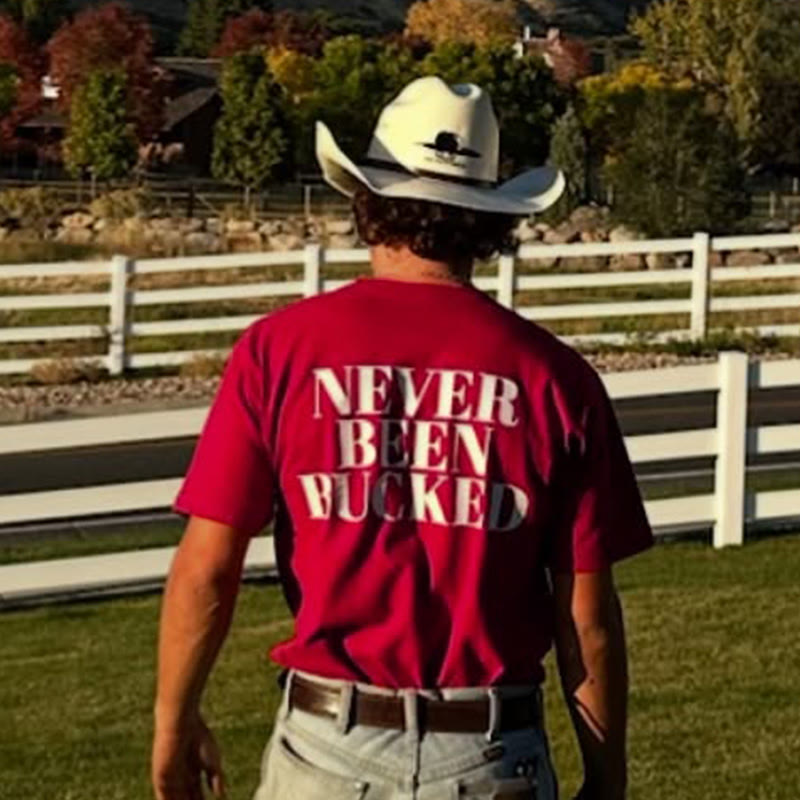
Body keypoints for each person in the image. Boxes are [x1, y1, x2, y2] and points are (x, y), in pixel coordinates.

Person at [152, 76, 654, 800]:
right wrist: (607, 778)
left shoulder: (279, 352)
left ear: (366, 200)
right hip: (491, 748)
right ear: (489, 218)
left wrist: (175, 721)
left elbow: (208, 567)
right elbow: (585, 614)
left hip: (326, 743)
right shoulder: (555, 379)